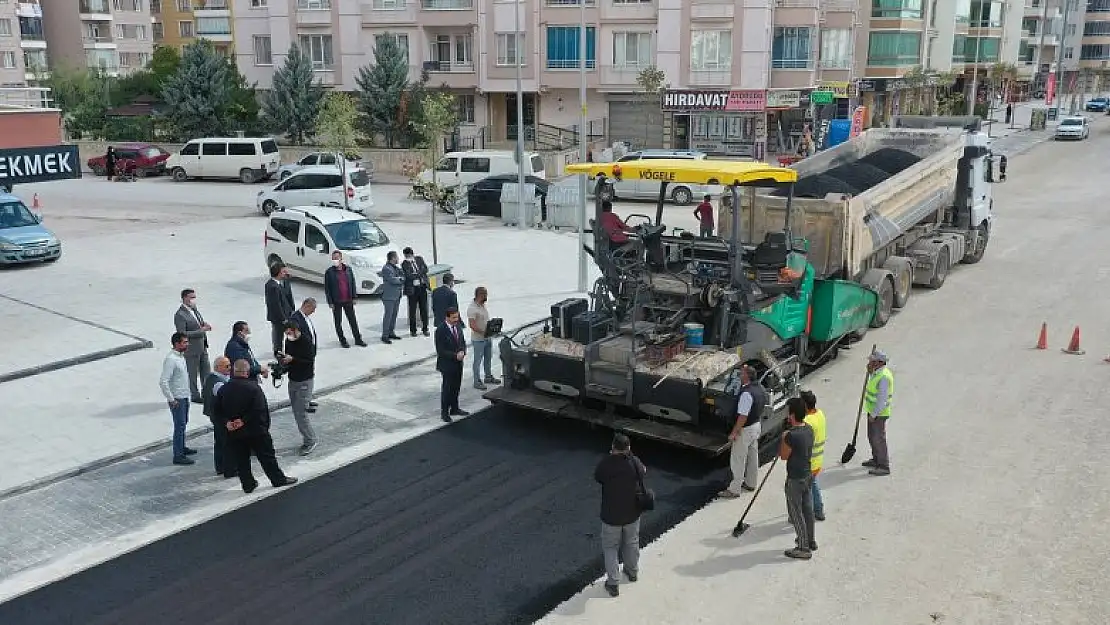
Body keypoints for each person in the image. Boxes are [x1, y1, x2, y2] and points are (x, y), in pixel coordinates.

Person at [216, 359, 298, 494]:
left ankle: (248, 484)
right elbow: (259, 409)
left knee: (241, 460)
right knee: (267, 457)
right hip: (256, 430)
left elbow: (216, 411)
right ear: (246, 372)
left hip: (235, 432)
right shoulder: (253, 388)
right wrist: (246, 421)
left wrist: (227, 423)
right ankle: (277, 479)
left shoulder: (224, 389)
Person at [594, 433, 644, 597]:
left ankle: (613, 583)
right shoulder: (634, 462)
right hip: (632, 512)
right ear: (629, 448)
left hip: (611, 515)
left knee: (610, 547)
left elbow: (598, 477)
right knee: (631, 542)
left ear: (613, 447)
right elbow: (643, 471)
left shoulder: (606, 464)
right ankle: (632, 572)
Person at [719, 365, 766, 499]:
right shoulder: (760, 388)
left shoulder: (746, 393)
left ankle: (734, 489)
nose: (739, 376)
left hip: (745, 430)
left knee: (738, 459)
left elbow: (742, 416)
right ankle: (751, 483)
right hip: (756, 426)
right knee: (753, 456)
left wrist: (734, 432)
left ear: (746, 376)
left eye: (741, 374)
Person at [781, 397, 816, 559]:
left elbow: (783, 455)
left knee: (796, 512)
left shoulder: (791, 436)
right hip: (808, 475)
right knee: (808, 509)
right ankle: (810, 540)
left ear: (792, 415)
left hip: (795, 478)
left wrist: (783, 438)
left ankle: (803, 547)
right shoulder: (809, 429)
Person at [281, 320, 317, 456]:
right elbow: (289, 358)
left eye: (289, 332)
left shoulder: (306, 342)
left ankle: (310, 440)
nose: (288, 335)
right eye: (286, 333)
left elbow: (309, 361)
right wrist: (284, 363)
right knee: (296, 411)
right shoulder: (288, 341)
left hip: (305, 381)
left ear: (295, 330)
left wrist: (293, 360)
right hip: (293, 379)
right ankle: (309, 438)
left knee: (300, 413)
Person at [159, 332, 196, 465]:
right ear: (177, 344)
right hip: (177, 399)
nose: (187, 344)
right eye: (185, 342)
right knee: (179, 425)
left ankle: (182, 447)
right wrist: (171, 399)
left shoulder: (181, 357)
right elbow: (163, 381)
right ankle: (178, 455)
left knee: (184, 423)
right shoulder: (171, 360)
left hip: (185, 396)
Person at [174, 288, 212, 403]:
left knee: (206, 371)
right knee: (193, 374)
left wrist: (204, 324)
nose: (194, 300)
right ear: (185, 298)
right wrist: (201, 330)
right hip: (191, 349)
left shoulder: (194, 309)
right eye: (191, 297)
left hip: (202, 346)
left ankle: (207, 393)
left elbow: (198, 322)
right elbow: (182, 333)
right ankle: (195, 395)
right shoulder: (180, 315)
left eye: (194, 297)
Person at [323, 251, 366, 348]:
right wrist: (330, 302)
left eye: (337, 258)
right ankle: (343, 341)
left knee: (353, 321)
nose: (335, 260)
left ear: (341, 259)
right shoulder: (329, 272)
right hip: (336, 301)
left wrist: (354, 296)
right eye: (333, 258)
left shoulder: (348, 270)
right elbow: (327, 288)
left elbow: (352, 283)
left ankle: (358, 339)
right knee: (338, 322)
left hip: (348, 300)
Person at [202, 356, 236, 478]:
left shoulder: (211, 378)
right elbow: (226, 399)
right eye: (226, 366)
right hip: (221, 416)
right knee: (226, 442)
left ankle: (220, 467)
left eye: (230, 365)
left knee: (219, 441)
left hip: (215, 415)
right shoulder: (218, 382)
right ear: (218, 367)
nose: (230, 368)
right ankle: (229, 469)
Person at [863, 349, 894, 476]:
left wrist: (874, 415)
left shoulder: (884, 377)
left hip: (879, 413)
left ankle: (883, 465)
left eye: (872, 361)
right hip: (872, 412)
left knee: (879, 439)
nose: (870, 363)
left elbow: (882, 400)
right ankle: (876, 459)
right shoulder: (876, 373)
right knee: (872, 437)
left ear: (879, 363)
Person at [435, 307, 470, 423]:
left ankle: (455, 408)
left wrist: (463, 351)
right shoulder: (440, 330)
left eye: (457, 317)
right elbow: (440, 350)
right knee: (447, 389)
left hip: (458, 363)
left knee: (456, 387)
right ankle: (444, 412)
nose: (456, 319)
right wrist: (455, 355)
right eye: (454, 317)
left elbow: (462, 342)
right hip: (447, 364)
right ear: (447, 317)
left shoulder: (458, 327)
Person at [467, 286, 501, 390]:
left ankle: (488, 376)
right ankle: (477, 381)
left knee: (488, 358)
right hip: (478, 340)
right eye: (485, 295)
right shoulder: (472, 308)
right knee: (477, 361)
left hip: (487, 337)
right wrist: (484, 332)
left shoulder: (482, 305)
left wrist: (491, 330)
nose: (486, 297)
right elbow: (472, 325)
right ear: (480, 295)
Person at [289, 297, 319, 414]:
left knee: (310, 376)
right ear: (307, 306)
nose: (314, 311)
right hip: (302, 355)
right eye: (313, 308)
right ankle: (303, 403)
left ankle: (307, 399)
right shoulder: (295, 319)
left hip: (309, 354)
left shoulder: (305, 318)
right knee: (305, 380)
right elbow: (295, 338)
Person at [801, 389, 827, 521]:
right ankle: (818, 510)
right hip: (818, 460)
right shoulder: (820, 414)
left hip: (807, 462)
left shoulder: (807, 421)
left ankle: (804, 514)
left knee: (802, 490)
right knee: (813, 485)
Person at [265, 262, 296, 357]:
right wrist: (283, 319)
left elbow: (289, 296)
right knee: (278, 337)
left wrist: (292, 309)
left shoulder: (285, 281)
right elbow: (276, 305)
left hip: (288, 313)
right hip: (279, 318)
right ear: (278, 273)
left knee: (292, 333)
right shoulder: (272, 286)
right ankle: (278, 354)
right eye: (283, 271)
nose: (285, 273)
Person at [402, 246, 431, 337]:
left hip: (422, 287)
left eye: (409, 255)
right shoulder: (404, 264)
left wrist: (417, 273)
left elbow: (426, 269)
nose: (408, 257)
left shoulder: (419, 259)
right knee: (412, 311)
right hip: (412, 290)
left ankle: (425, 328)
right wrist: (420, 273)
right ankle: (413, 330)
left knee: (424, 309)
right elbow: (409, 276)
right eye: (407, 256)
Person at [379, 251, 404, 344]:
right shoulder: (386, 268)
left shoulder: (396, 268)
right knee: (388, 316)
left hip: (397, 295)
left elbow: (403, 275)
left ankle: (391, 332)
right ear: (393, 258)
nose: (398, 259)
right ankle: (385, 335)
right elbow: (393, 280)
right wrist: (400, 279)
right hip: (389, 296)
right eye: (397, 257)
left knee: (394, 315)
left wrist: (400, 278)